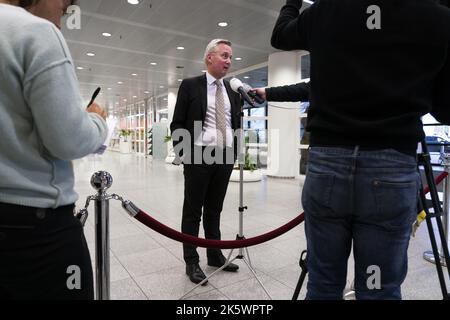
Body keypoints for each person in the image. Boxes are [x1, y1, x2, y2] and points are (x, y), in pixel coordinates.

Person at [271, 0, 450, 299]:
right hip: (391, 168)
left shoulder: (326, 10)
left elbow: (280, 36)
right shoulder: (436, 16)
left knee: (324, 282)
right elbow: (445, 110)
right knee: (378, 287)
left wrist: (292, 2)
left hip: (328, 164)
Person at [0, 0, 108, 300]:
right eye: (64, 4)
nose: (65, 14)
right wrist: (97, 120)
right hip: (35, 233)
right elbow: (68, 139)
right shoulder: (35, 31)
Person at [170, 39, 241, 285]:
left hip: (224, 156)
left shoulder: (232, 90)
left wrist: (235, 153)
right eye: (224, 55)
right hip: (198, 155)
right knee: (193, 211)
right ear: (209, 58)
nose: (228, 61)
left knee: (215, 209)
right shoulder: (191, 86)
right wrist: (185, 156)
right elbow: (177, 123)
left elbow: (236, 124)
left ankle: (214, 254)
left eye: (230, 57)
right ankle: (191, 261)